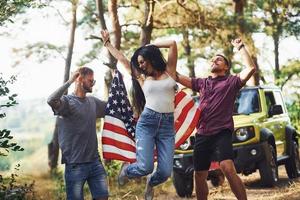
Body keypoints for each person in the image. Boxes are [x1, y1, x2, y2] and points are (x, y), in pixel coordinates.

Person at [100, 29, 177, 200]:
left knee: (164, 172)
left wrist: (149, 45)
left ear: (151, 58)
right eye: (139, 63)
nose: (140, 65)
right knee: (145, 167)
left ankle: (151, 183)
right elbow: (123, 60)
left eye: (142, 61)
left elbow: (172, 44)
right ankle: (127, 170)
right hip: (147, 123)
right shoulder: (142, 78)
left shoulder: (169, 71)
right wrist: (108, 44)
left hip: (166, 125)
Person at [176, 38, 256, 200]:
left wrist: (240, 47)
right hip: (203, 133)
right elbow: (177, 76)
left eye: (218, 59)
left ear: (226, 67)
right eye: (212, 59)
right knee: (199, 174)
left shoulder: (231, 81)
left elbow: (251, 68)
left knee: (227, 167)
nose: (214, 60)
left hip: (222, 132)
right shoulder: (202, 83)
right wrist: (160, 63)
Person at [47, 67, 109, 200]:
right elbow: (51, 100)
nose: (93, 83)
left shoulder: (93, 102)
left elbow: (112, 108)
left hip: (95, 162)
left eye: (94, 81)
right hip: (75, 165)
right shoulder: (67, 102)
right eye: (90, 81)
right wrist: (69, 81)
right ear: (80, 79)